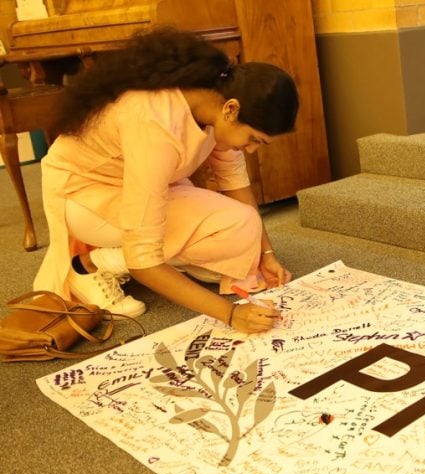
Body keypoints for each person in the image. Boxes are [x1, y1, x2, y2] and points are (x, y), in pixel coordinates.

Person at [33, 27, 298, 334]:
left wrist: (267, 255)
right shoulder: (153, 123)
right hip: (86, 198)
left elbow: (236, 183)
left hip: (151, 184)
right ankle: (94, 265)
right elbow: (143, 259)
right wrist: (231, 314)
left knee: (244, 230)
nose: (250, 149)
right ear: (231, 109)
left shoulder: (214, 104)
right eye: (254, 140)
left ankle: (128, 259)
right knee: (225, 234)